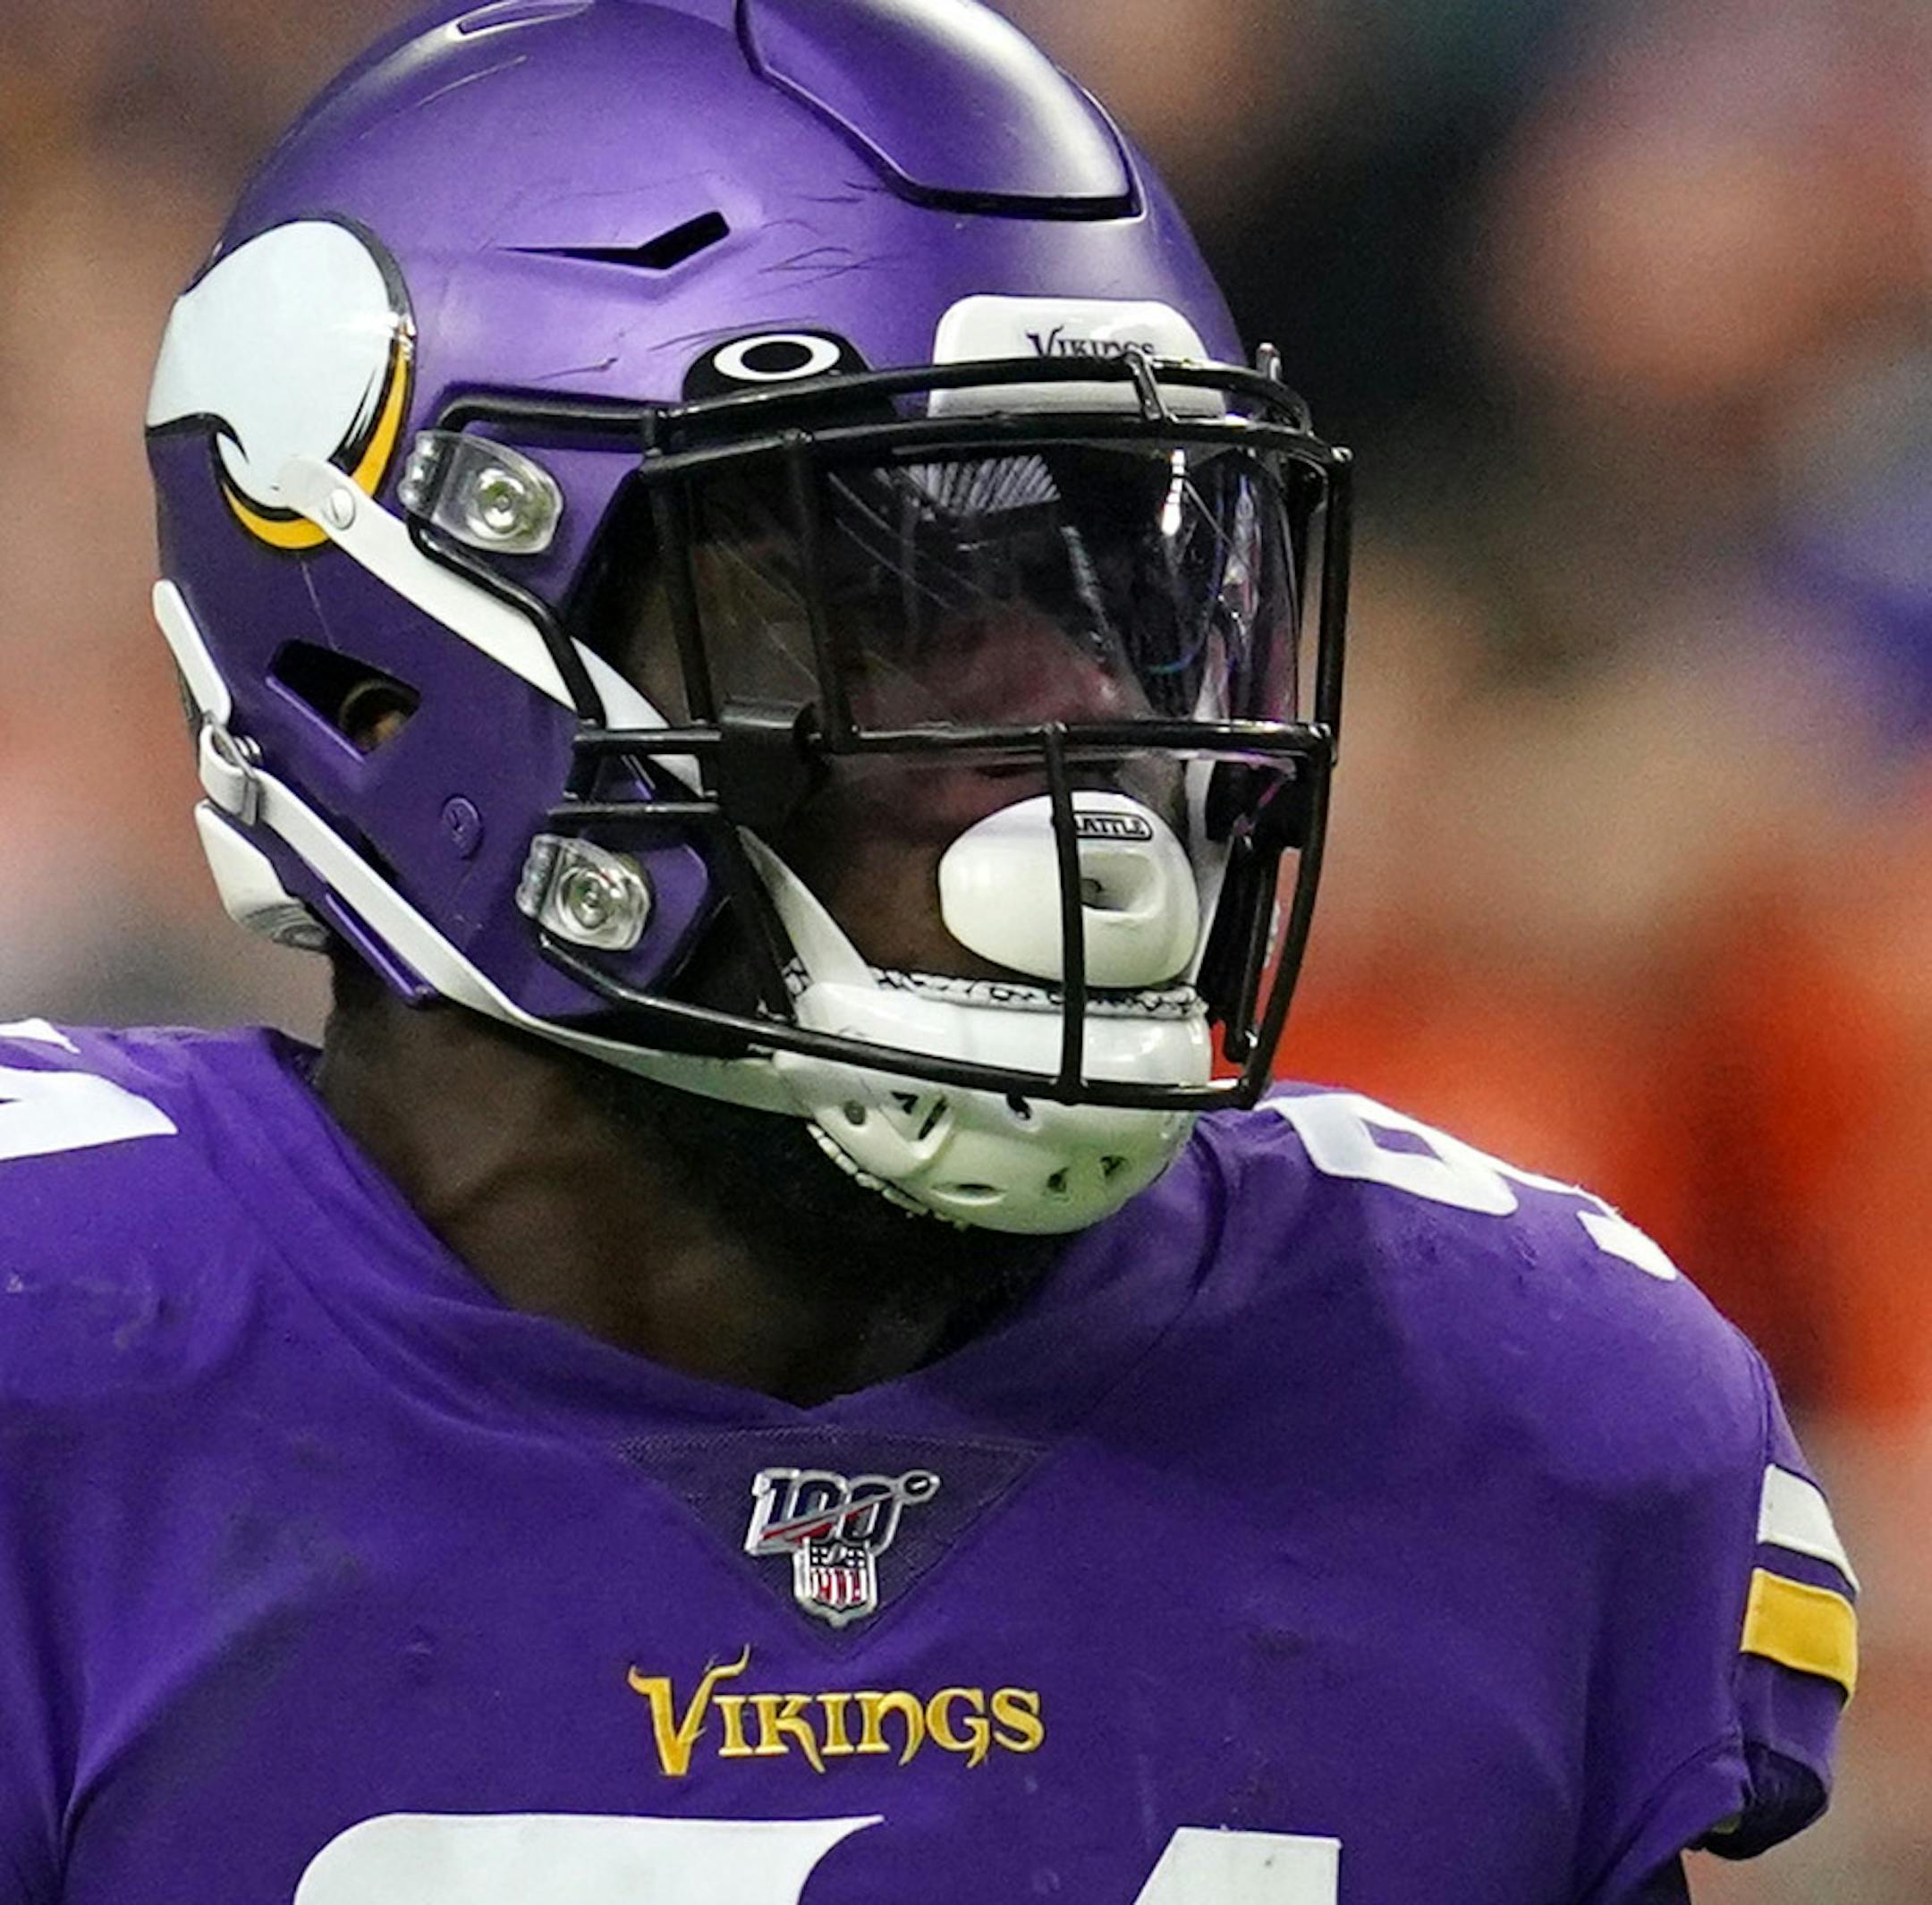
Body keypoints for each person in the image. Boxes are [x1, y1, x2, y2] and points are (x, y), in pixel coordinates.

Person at [0, 3, 1854, 1901]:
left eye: (1120, 579)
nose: (1082, 711)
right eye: (884, 592)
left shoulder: (1523, 1411)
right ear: (393, 676)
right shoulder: (64, 1361)